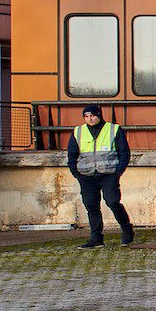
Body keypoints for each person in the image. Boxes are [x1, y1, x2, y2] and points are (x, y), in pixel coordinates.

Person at [65, 104, 135, 246]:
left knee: (112, 202)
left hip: (109, 174)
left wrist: (118, 171)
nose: (90, 119)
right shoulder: (78, 131)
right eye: (86, 116)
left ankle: (126, 229)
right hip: (86, 175)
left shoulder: (113, 129)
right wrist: (76, 172)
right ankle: (96, 237)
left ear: (99, 115)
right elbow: (72, 154)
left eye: (92, 116)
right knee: (91, 205)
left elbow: (124, 152)